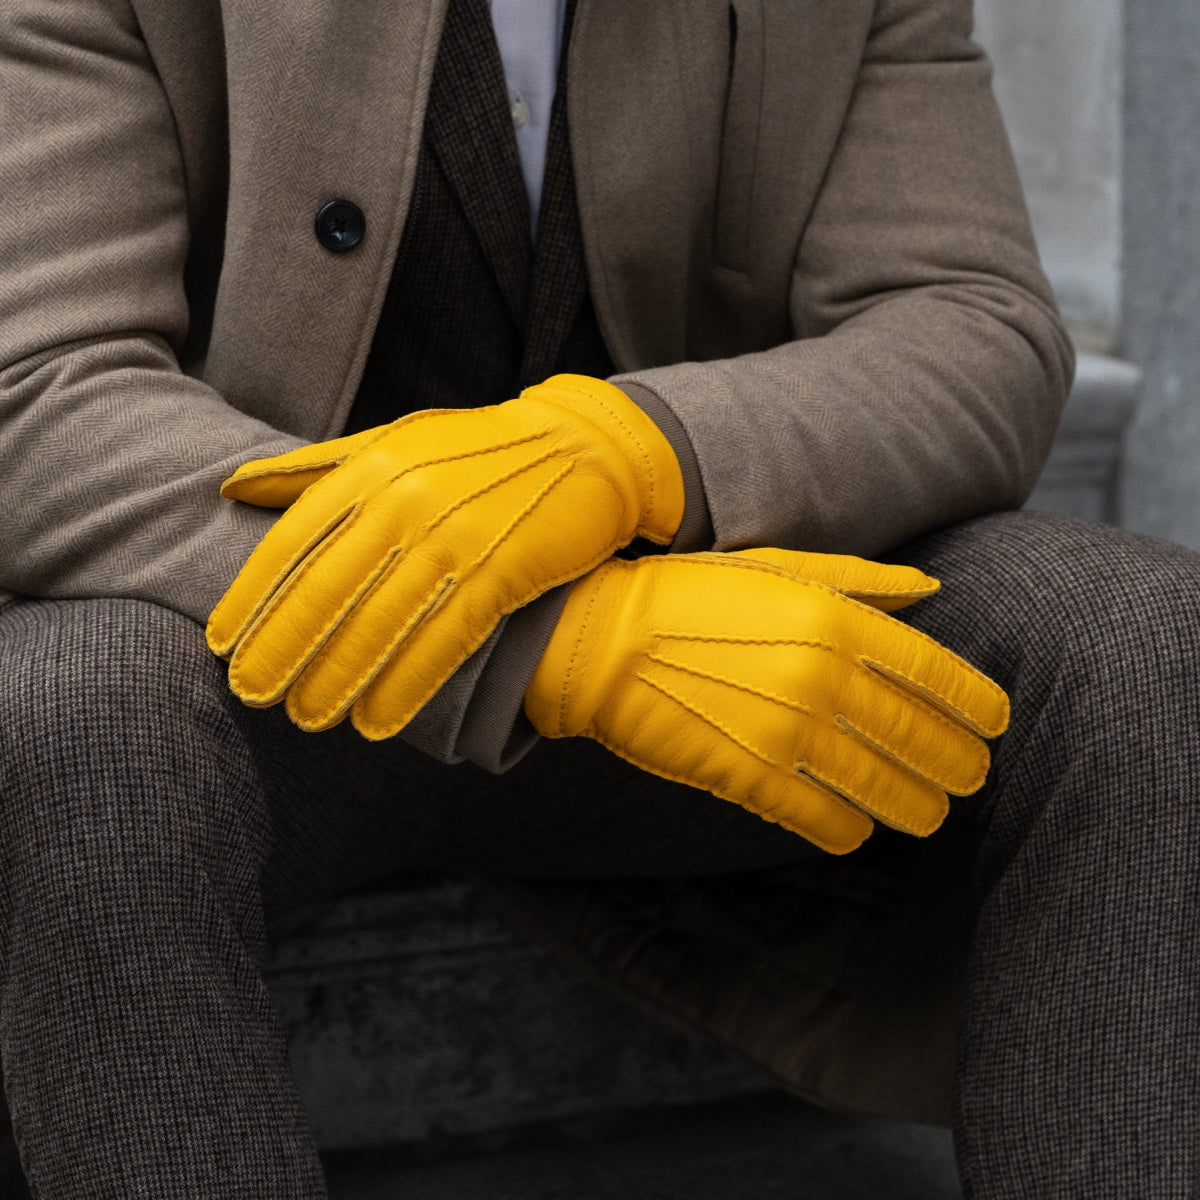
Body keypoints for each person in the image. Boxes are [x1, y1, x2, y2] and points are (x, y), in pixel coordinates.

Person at [0, 0, 1196, 1195]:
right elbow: (41, 391)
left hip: (721, 668)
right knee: (69, 707)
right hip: (261, 683)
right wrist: (556, 640)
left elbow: (972, 323)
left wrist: (641, 450)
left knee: (1144, 638)